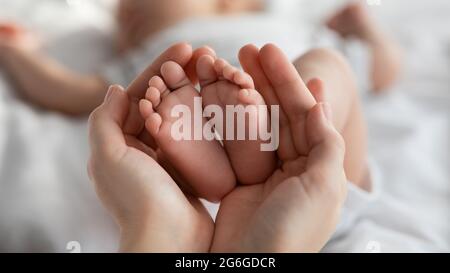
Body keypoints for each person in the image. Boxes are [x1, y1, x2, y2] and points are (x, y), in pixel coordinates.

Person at [87, 43, 347, 252]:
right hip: (318, 203)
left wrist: (165, 235)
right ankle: (255, 146)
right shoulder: (129, 54)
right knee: (326, 65)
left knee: (309, 71)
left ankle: (228, 157)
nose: (126, 9)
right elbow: (384, 71)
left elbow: (78, 91)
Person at [0, 1, 401, 116]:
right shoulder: (159, 58)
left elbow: (383, 69)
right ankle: (234, 154)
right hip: (230, 127)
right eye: (123, 18)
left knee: (324, 67)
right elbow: (73, 92)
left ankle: (294, 122)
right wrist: (19, 53)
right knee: (172, 104)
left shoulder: (287, 23)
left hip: (315, 122)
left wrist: (362, 28)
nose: (125, 12)